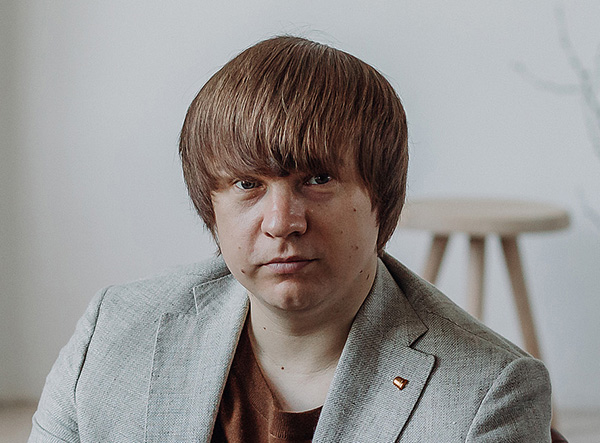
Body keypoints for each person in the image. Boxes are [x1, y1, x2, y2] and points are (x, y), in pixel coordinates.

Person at [29, 36, 552, 442]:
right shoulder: (115, 330)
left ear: (381, 196)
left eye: (318, 179)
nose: (282, 222)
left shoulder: (489, 392)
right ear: (210, 207)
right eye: (247, 185)